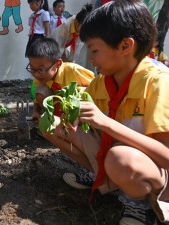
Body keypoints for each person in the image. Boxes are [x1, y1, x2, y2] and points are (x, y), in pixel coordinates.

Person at [43, 1, 169, 224]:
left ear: (125, 46)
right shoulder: (101, 82)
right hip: (117, 157)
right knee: (53, 126)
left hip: (152, 170)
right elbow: (81, 119)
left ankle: (138, 204)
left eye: (94, 50)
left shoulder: (158, 83)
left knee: (120, 159)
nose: (91, 59)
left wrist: (106, 123)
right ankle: (107, 181)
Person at [26, 38, 94, 119]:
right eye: (32, 69)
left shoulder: (73, 70)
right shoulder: (40, 78)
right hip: (61, 109)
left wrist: (80, 91)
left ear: (58, 64)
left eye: (41, 69)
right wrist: (35, 112)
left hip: (81, 109)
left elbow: (96, 85)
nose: (36, 74)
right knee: (41, 92)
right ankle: (55, 118)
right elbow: (37, 100)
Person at [50, 3, 94, 71]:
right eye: (84, 28)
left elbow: (77, 52)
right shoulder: (64, 28)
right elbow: (57, 47)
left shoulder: (80, 30)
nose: (85, 31)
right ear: (77, 22)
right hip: (54, 46)